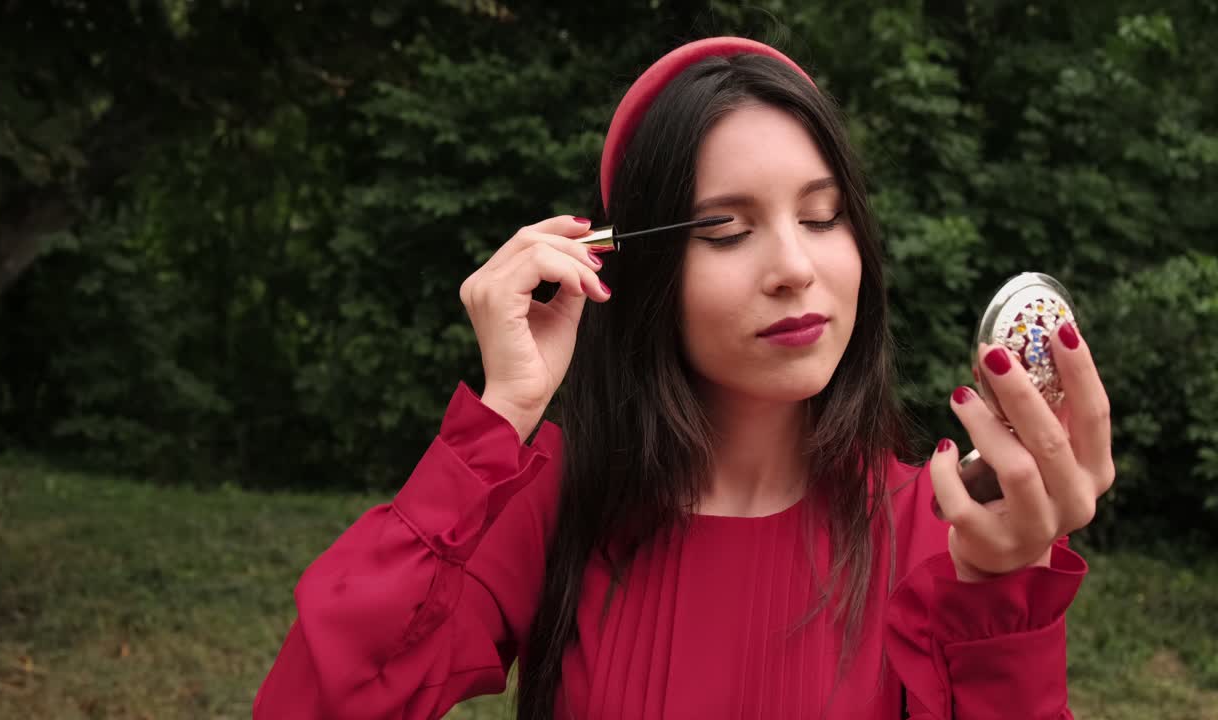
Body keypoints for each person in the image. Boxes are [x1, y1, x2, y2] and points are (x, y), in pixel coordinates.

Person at [252, 37, 1114, 719]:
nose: (793, 268)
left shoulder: (949, 529)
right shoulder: (554, 504)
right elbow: (321, 702)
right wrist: (502, 414)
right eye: (726, 230)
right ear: (639, 271)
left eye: (822, 217)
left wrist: (1010, 589)